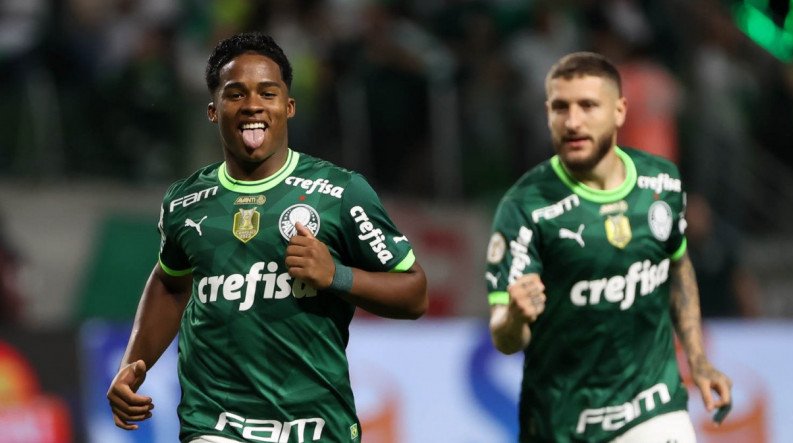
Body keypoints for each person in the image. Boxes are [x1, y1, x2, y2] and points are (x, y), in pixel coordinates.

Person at [106, 32, 428, 443]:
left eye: (268, 93)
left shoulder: (341, 193)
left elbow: (415, 292)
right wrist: (133, 364)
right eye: (236, 94)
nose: (253, 105)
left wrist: (336, 276)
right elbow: (170, 283)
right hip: (215, 425)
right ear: (213, 109)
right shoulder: (186, 202)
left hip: (316, 427)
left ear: (288, 107)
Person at [485, 52, 731, 442]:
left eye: (588, 105)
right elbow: (503, 335)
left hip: (653, 406)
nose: (573, 121)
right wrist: (515, 316)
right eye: (561, 107)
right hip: (563, 422)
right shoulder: (525, 206)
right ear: (548, 113)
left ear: (619, 111)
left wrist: (698, 361)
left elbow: (678, 266)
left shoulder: (661, 182)